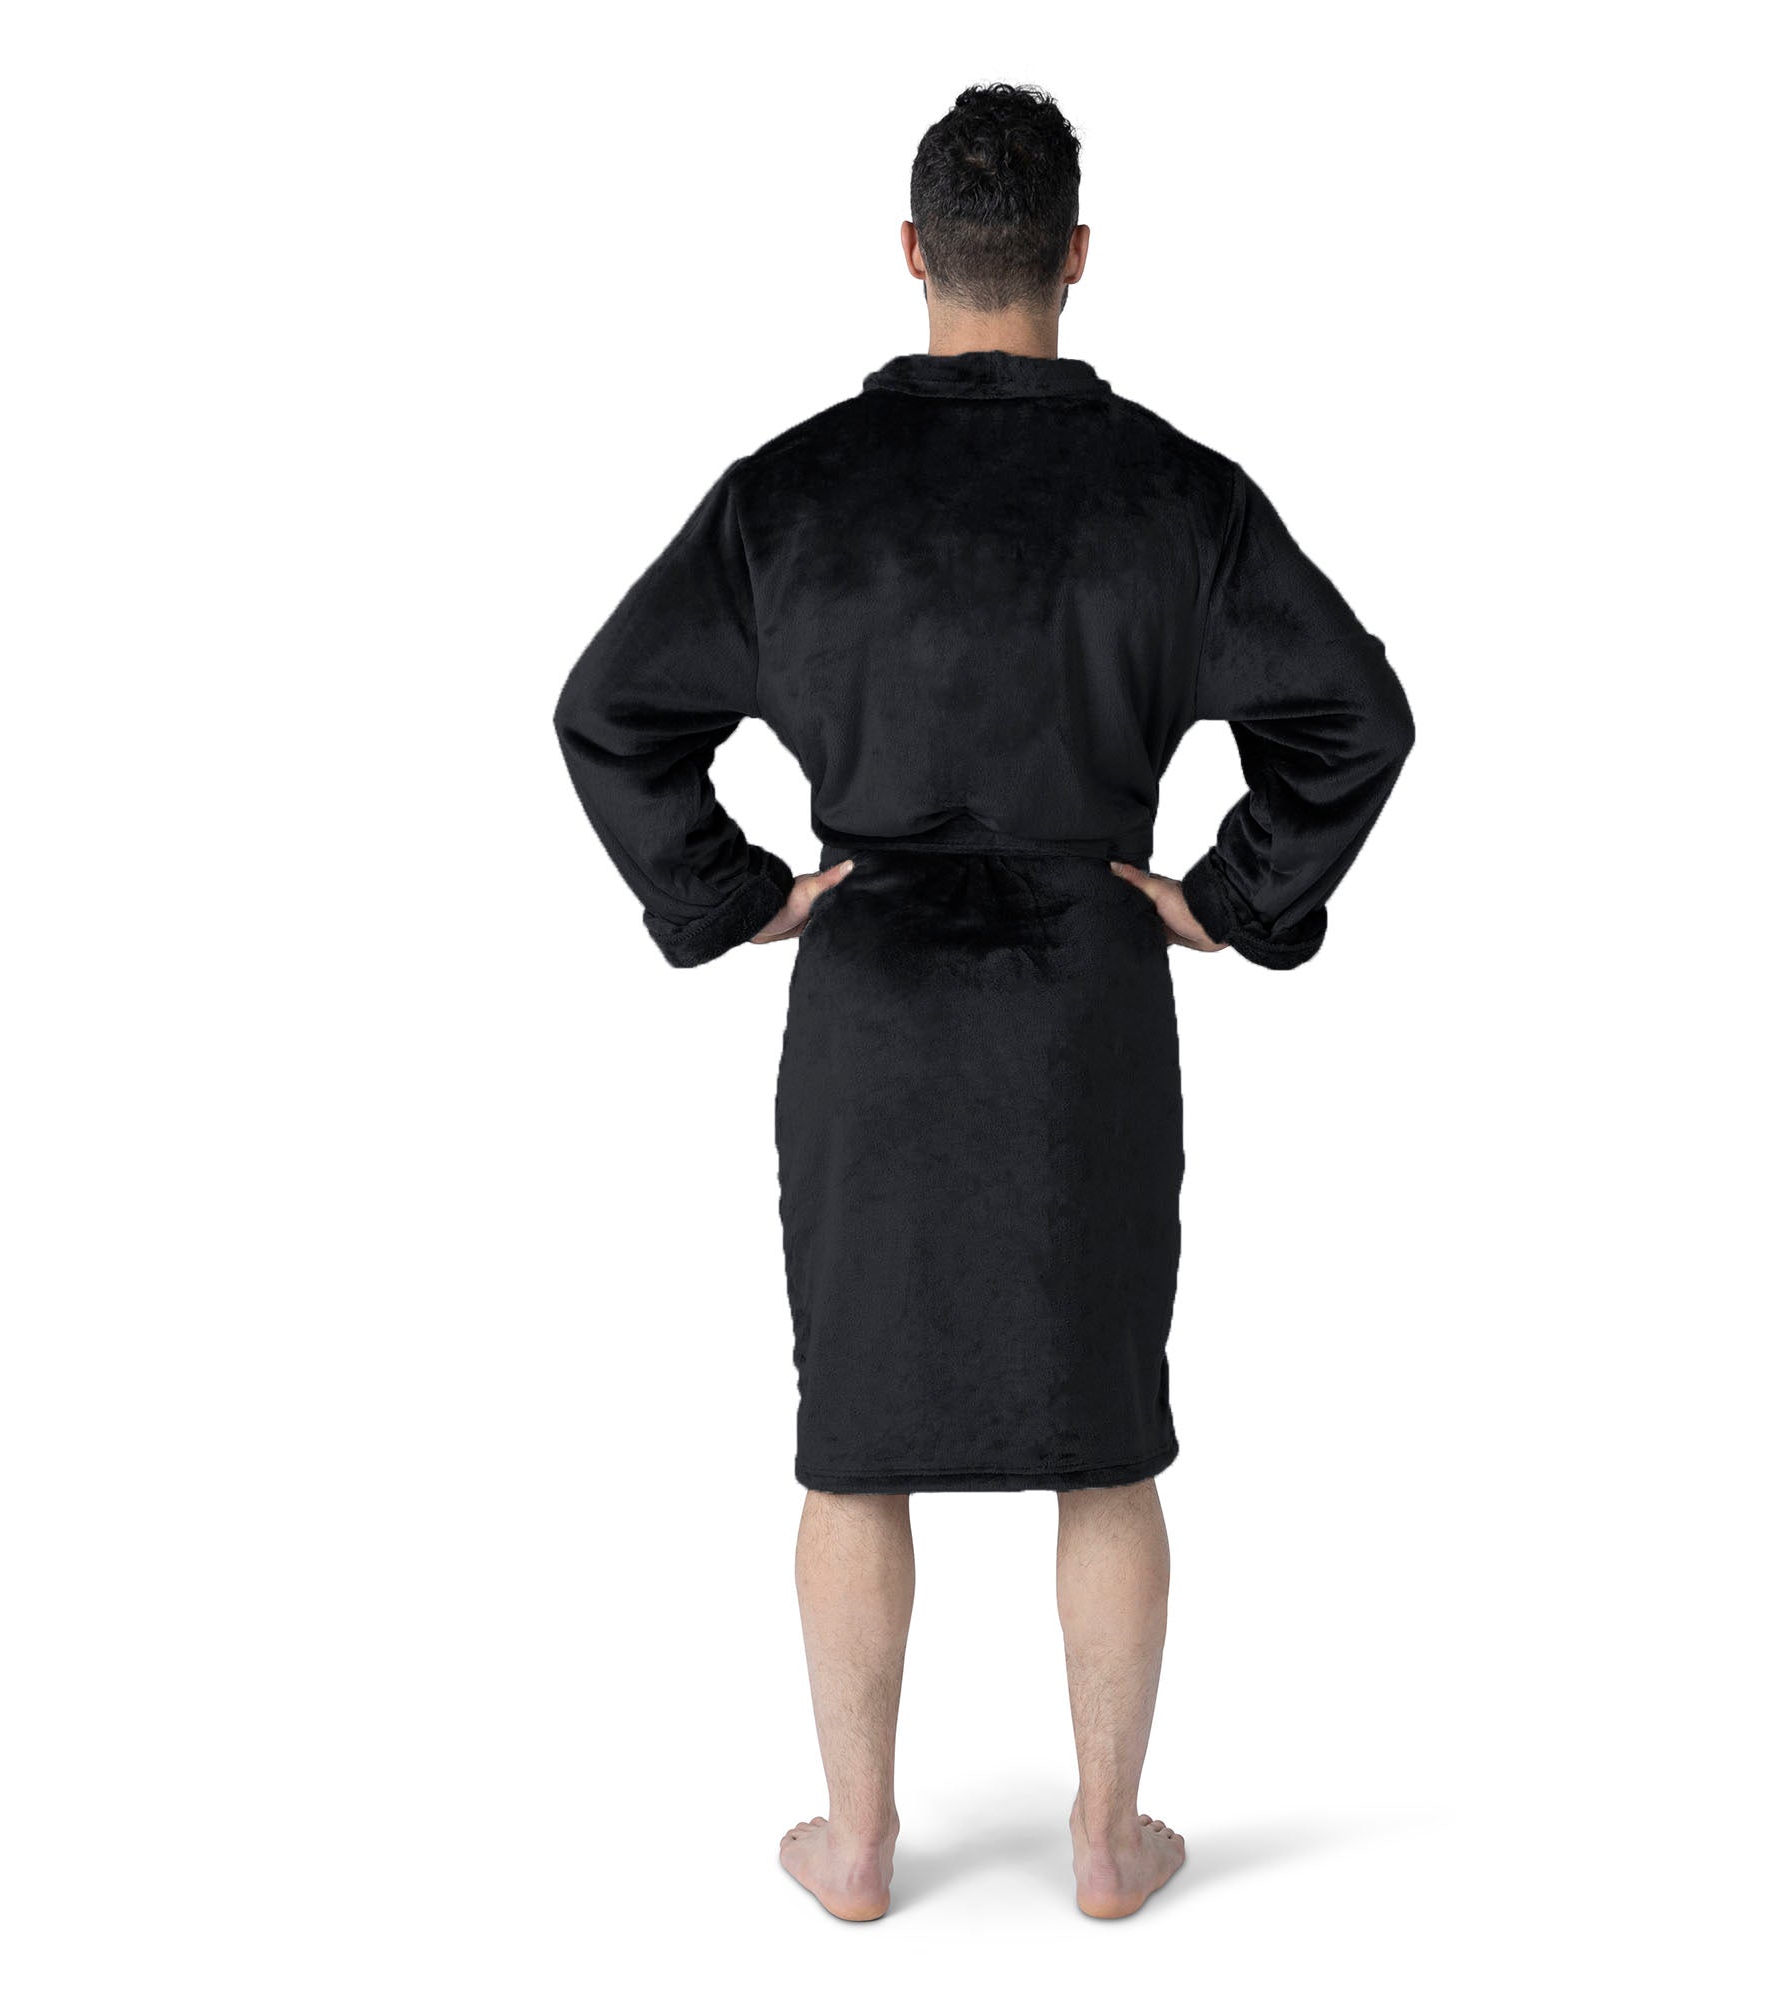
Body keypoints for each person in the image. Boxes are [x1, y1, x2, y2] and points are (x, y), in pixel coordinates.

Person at [553, 82, 1415, 1922]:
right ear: (1075, 257)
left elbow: (610, 711)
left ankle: (857, 1844)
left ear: (914, 253)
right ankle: (1107, 1841)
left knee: (853, 1439)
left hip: (871, 1009)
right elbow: (1356, 716)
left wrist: (737, 895)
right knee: (1107, 1433)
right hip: (1085, 1008)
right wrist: (1230, 901)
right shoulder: (1177, 494)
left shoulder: (792, 494)